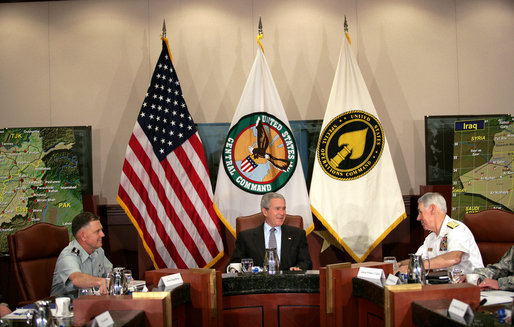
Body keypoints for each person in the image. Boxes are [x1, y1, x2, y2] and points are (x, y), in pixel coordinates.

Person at [398, 192, 483, 274]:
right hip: (446, 284)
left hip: (469, 285)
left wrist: (416, 266)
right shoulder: (431, 237)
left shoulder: (457, 229)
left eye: (420, 212)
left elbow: (454, 258)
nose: (418, 218)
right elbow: (417, 259)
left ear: (432, 209)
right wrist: (399, 265)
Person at [230, 192, 312, 271]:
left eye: (284, 208)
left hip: (289, 283)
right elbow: (234, 264)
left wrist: (298, 268)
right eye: (277, 209)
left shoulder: (297, 234)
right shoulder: (246, 237)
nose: (282, 213)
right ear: (265, 212)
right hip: (257, 283)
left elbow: (306, 262)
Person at [51, 212, 113, 296]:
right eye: (97, 231)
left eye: (101, 230)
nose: (102, 234)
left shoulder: (98, 251)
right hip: (65, 306)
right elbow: (76, 279)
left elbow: (110, 273)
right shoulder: (68, 255)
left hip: (90, 302)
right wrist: (100, 281)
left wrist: (119, 278)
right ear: (83, 236)